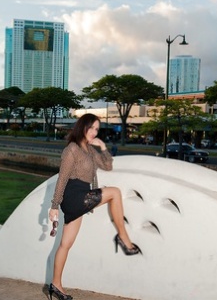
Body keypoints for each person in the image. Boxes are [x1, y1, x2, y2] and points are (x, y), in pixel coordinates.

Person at [48, 113, 140, 300]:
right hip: (74, 195)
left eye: (97, 129)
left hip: (82, 196)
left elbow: (108, 166)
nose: (93, 132)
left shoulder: (90, 150)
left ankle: (55, 285)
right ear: (82, 127)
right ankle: (123, 239)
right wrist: (54, 206)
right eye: (91, 128)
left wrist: (103, 147)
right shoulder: (72, 149)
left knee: (65, 244)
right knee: (114, 192)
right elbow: (62, 178)